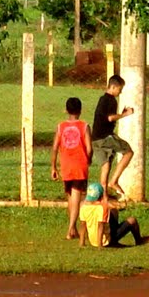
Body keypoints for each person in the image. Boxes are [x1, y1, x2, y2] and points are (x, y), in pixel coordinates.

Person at [50, 97, 92, 240]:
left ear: (66, 110)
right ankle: (70, 229)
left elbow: (55, 147)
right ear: (80, 110)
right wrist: (89, 159)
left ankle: (73, 228)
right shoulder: (85, 126)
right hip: (80, 164)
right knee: (76, 195)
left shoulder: (60, 126)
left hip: (66, 164)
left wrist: (53, 167)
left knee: (70, 195)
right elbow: (89, 148)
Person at [91, 75, 135, 199]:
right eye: (119, 89)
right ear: (113, 87)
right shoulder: (110, 100)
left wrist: (119, 114)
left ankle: (103, 196)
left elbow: (104, 118)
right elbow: (110, 118)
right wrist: (125, 114)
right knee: (128, 152)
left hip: (96, 138)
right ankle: (114, 181)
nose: (120, 92)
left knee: (106, 165)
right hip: (105, 137)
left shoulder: (102, 99)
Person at [78, 183, 149, 248]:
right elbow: (100, 226)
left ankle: (84, 243)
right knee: (132, 220)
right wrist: (100, 245)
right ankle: (139, 241)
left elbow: (82, 226)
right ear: (101, 196)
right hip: (106, 241)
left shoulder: (84, 208)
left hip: (93, 242)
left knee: (113, 212)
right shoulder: (102, 208)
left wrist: (82, 243)